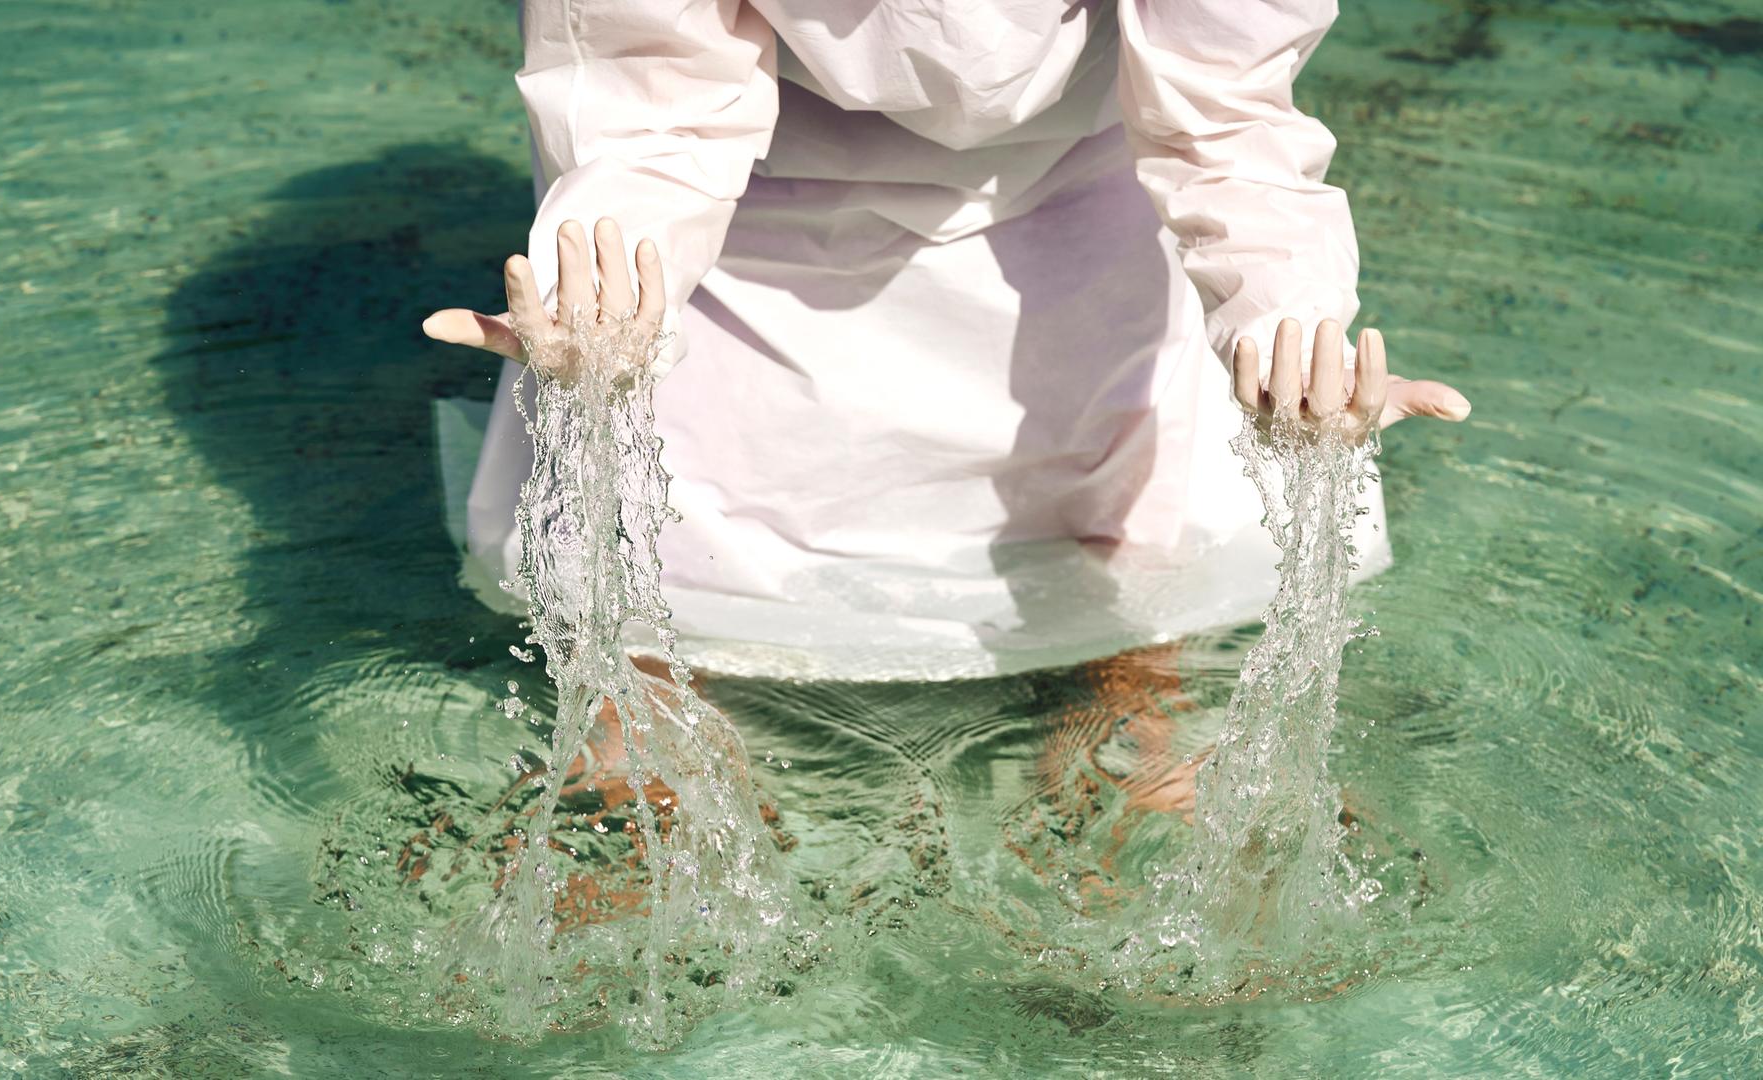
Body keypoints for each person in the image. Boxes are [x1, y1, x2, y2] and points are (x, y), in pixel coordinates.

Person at [422, 0, 1470, 829]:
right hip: (751, 222)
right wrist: (606, 297)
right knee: (655, 545)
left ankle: (1133, 700)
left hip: (1087, 194)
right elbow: (649, 106)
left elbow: (1225, 112)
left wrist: (1282, 322)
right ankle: (635, 717)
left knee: (1132, 568)